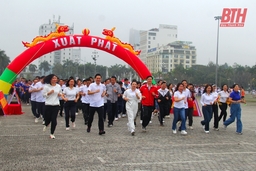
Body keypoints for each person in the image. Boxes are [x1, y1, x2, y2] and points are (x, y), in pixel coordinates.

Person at [42, 74, 63, 139]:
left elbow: (60, 93)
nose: (54, 79)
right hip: (48, 104)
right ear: (50, 79)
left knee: (54, 119)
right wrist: (49, 93)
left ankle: (52, 133)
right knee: (48, 118)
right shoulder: (46, 86)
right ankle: (46, 124)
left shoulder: (58, 86)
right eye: (53, 78)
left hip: (56, 105)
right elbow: (44, 95)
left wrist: (60, 95)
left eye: (55, 78)